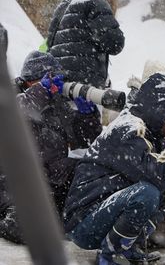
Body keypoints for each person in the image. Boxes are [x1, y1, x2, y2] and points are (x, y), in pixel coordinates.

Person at [63, 66, 165, 264]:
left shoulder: (150, 130)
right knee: (147, 192)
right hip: (85, 223)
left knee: (161, 192)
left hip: (102, 214)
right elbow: (159, 173)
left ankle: (128, 248)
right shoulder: (128, 128)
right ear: (161, 110)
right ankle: (111, 255)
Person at [0, 51, 102, 244]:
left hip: (49, 180)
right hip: (13, 183)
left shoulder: (57, 105)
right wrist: (40, 91)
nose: (55, 85)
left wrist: (87, 116)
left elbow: (86, 141)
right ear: (31, 80)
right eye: (49, 79)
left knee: (89, 170)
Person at [47, 0, 125, 88]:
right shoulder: (95, 2)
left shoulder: (62, 6)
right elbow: (115, 44)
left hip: (59, 84)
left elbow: (49, 45)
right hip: (86, 86)